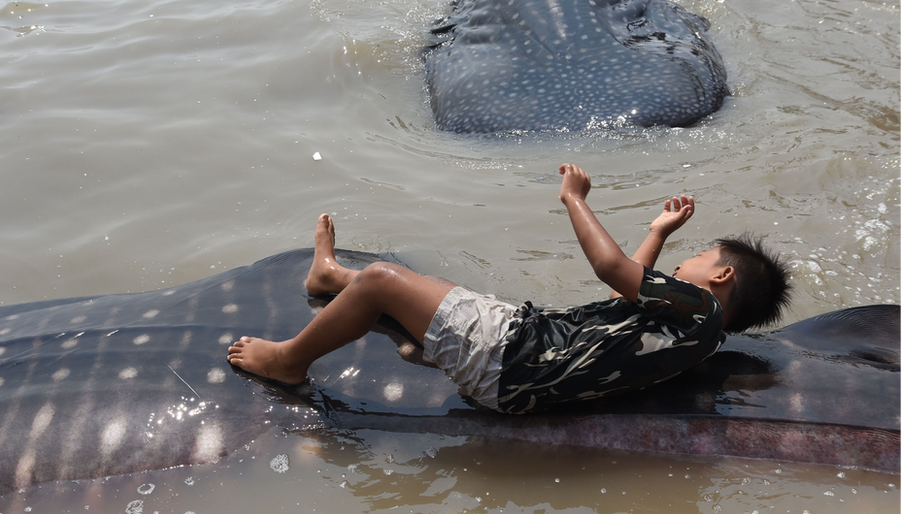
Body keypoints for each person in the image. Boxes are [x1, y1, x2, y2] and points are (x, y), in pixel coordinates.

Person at [227, 164, 792, 413]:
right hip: (520, 374)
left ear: (720, 278)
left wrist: (574, 198)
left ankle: (288, 359)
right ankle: (333, 280)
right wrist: (657, 232)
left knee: (383, 279)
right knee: (436, 288)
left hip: (512, 353)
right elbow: (631, 293)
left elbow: (612, 270)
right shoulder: (700, 334)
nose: (683, 265)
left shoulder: (697, 307)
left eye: (698, 257)